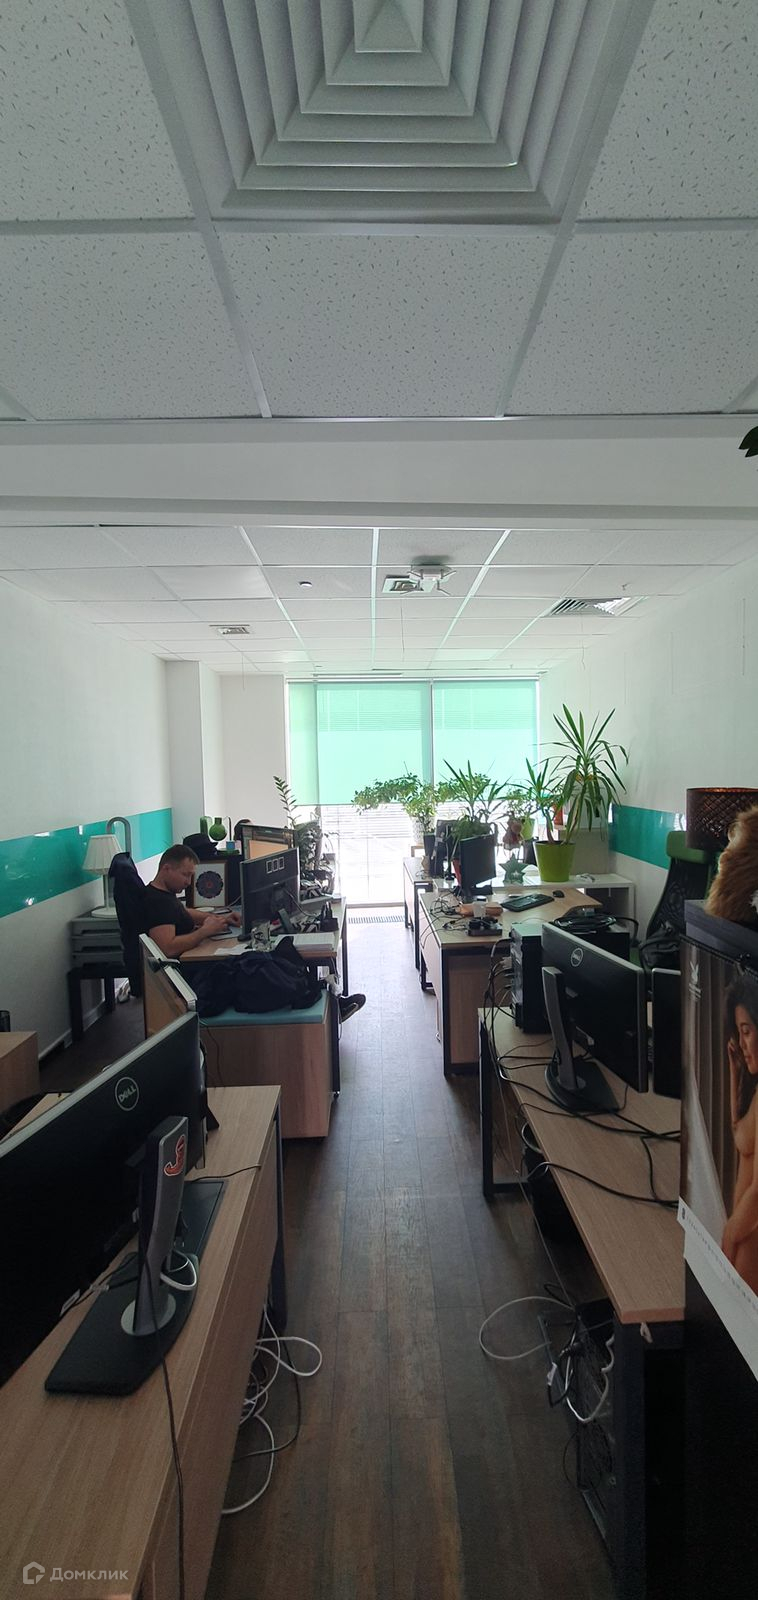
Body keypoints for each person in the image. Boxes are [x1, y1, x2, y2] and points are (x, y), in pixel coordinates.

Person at [721, 976, 758, 1293]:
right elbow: (739, 1135)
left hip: (748, 1236)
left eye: (746, 1031)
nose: (742, 1044)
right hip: (741, 1230)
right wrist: (734, 1073)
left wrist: (729, 1237)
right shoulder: (757, 1096)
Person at [143, 844, 240, 960]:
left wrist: (220, 919)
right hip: (183, 965)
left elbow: (182, 912)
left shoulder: (164, 893)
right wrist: (204, 931)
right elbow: (167, 949)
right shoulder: (158, 902)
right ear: (167, 869)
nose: (188, 882)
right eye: (185, 875)